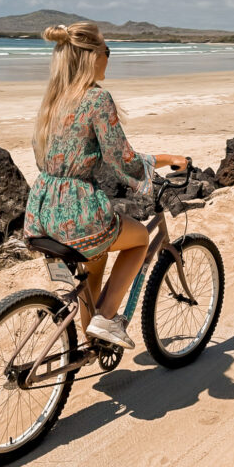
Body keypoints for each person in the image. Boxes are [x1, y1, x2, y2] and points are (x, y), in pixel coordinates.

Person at [23, 21, 188, 349]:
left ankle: (90, 342)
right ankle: (106, 316)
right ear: (92, 56)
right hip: (77, 212)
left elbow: (46, 158)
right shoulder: (97, 98)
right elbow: (123, 159)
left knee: (93, 264)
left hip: (41, 210)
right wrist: (166, 159)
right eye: (107, 52)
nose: (109, 59)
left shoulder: (54, 100)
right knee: (139, 239)